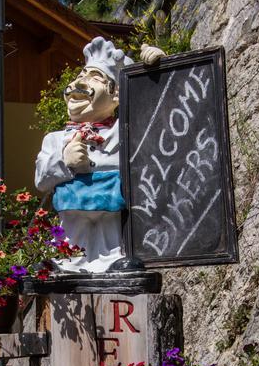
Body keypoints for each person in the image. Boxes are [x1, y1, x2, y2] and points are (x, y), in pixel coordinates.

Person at [35, 38, 164, 273]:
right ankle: (67, 262)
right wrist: (64, 162)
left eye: (95, 77)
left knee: (114, 239)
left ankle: (112, 259)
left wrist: (160, 73)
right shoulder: (55, 139)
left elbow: (163, 122)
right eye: (81, 75)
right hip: (70, 230)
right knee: (69, 247)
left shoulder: (128, 134)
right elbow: (41, 181)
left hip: (113, 225)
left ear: (115, 95)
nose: (80, 83)